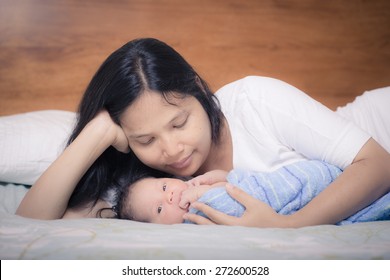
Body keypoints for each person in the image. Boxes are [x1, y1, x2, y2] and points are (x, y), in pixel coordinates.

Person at [16, 38, 390, 228]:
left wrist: (289, 226)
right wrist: (97, 132)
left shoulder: (256, 101)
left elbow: (377, 164)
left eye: (179, 123)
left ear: (199, 90)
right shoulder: (147, 188)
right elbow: (32, 221)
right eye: (146, 139)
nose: (172, 149)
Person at [118, 161, 390, 225]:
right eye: (158, 210)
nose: (169, 197)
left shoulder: (199, 184)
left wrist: (223, 180)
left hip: (312, 178)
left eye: (164, 186)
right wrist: (207, 196)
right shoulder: (195, 219)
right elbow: (234, 210)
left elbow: (249, 185)